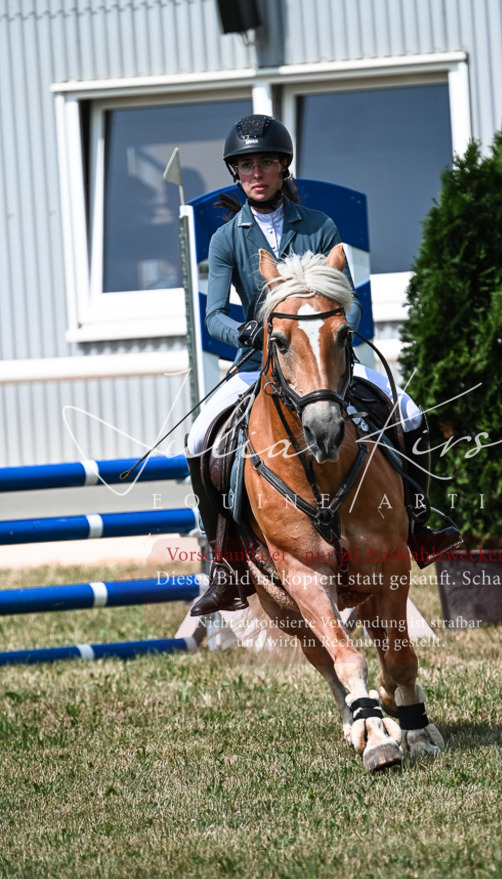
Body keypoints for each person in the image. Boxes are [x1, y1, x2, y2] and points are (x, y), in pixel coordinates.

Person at [186, 114, 460, 616]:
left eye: (265, 162)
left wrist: (342, 329)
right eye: (245, 165)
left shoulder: (320, 226)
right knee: (200, 437)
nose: (256, 173)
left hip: (326, 363)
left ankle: (421, 524)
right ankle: (225, 566)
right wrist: (244, 331)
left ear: (282, 166)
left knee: (412, 412)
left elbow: (349, 299)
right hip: (260, 364)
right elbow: (214, 316)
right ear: (236, 173)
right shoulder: (227, 238)